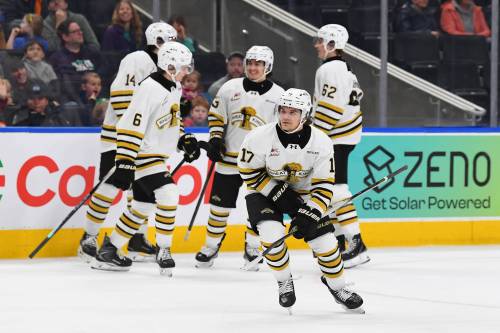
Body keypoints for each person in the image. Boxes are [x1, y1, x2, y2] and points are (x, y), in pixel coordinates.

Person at [237, 88, 364, 313]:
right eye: (282, 110)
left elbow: (325, 185)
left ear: (304, 115)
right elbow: (247, 169)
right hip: (264, 191)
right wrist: (279, 193)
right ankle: (284, 281)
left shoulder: (321, 142)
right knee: (272, 237)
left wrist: (310, 212)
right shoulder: (258, 137)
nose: (285, 116)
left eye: (292, 112)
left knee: (326, 244)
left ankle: (338, 287)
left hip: (305, 194)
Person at [91, 41, 200, 276]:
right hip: (142, 154)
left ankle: (109, 251)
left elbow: (171, 120)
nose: (186, 72)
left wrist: (183, 140)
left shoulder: (174, 87)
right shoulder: (150, 88)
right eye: (183, 67)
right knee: (169, 193)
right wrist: (125, 161)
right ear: (170, 66)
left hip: (155, 155)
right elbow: (130, 126)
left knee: (142, 205)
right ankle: (164, 249)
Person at [78, 22, 178, 263]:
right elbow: (122, 97)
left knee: (142, 193)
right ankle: (89, 237)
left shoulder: (167, 69)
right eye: (169, 41)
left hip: (143, 143)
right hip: (120, 137)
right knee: (111, 185)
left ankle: (135, 238)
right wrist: (133, 133)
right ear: (158, 41)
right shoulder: (136, 59)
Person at [194, 45, 285, 269]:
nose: (253, 68)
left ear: (268, 66)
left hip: (259, 164)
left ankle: (252, 247)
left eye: (259, 64)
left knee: (257, 208)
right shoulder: (229, 88)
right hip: (228, 159)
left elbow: (281, 130)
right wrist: (215, 139)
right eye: (250, 63)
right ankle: (211, 245)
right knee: (219, 208)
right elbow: (216, 117)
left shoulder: (279, 95)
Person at [312, 24, 369, 269]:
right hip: (342, 136)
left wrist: (314, 136)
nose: (316, 45)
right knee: (330, 191)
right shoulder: (343, 68)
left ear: (331, 44)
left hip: (337, 137)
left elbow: (331, 107)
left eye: (320, 40)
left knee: (336, 189)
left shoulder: (331, 69)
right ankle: (341, 242)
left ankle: (356, 244)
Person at [49, 20, 102, 103]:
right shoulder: (57, 58)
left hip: (97, 96)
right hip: (72, 100)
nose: (80, 33)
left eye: (80, 30)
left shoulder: (92, 53)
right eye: (75, 31)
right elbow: (63, 85)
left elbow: (102, 73)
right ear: (65, 37)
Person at [9, 79, 81, 126]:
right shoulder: (18, 117)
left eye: (40, 98)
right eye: (32, 98)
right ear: (26, 100)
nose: (36, 102)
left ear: (47, 100)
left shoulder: (61, 115)